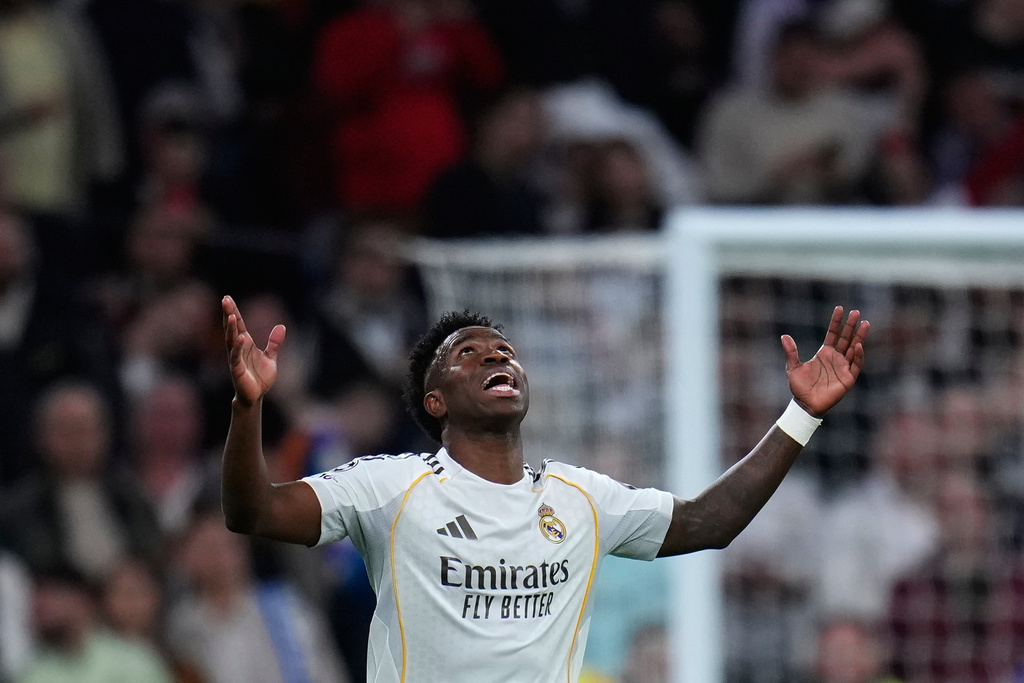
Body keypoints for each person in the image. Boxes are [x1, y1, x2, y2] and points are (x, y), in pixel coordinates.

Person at [219, 295, 869, 682]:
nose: (496, 356)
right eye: (469, 352)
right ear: (435, 398)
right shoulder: (391, 484)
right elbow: (255, 510)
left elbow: (709, 521)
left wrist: (801, 416)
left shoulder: (580, 497)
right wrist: (247, 408)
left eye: (503, 349)